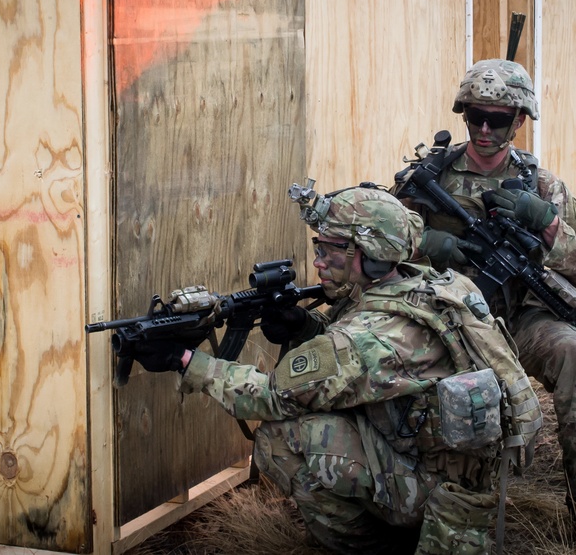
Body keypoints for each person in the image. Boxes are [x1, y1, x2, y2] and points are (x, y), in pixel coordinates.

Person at [130, 183, 539, 554]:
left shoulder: (369, 341)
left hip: (430, 489)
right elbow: (360, 357)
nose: (319, 261)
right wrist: (307, 326)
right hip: (452, 470)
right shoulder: (431, 284)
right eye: (318, 248)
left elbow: (273, 396)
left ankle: (368, 547)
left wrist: (184, 361)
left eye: (328, 250)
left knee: (279, 438)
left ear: (368, 254)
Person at [396, 58, 576, 551]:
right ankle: (398, 501)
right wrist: (425, 245)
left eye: (497, 119)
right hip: (445, 322)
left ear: (519, 121)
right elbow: (377, 242)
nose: (482, 128)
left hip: (518, 318)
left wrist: (545, 223)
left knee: (575, 352)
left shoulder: (542, 185)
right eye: (474, 116)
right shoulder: (428, 179)